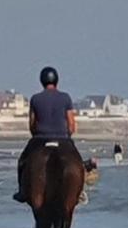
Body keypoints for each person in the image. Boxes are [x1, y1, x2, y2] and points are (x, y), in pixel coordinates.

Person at [12, 66, 78, 203]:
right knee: (77, 162)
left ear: (42, 81)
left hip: (40, 138)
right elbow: (71, 124)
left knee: (22, 161)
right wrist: (67, 135)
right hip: (63, 138)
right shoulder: (66, 98)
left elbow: (32, 124)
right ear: (57, 81)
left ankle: (22, 191)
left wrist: (37, 133)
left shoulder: (35, 99)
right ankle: (79, 190)